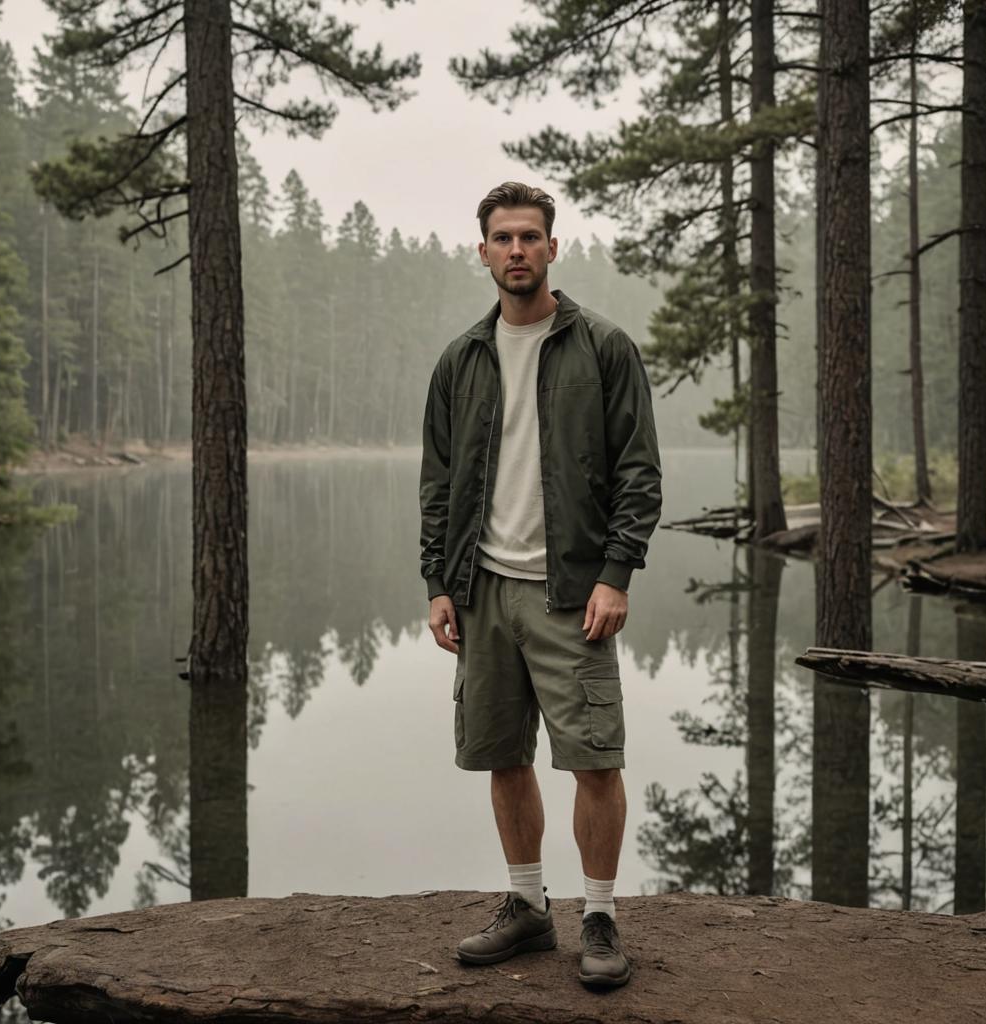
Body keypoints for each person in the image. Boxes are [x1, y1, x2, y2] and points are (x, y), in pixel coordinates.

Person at [418, 181, 662, 988]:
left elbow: (638, 473)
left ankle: (598, 916)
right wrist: (439, 583)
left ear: (553, 248)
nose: (517, 250)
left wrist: (616, 574)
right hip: (484, 592)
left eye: (530, 236)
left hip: (571, 593)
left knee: (595, 759)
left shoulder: (603, 348)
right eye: (502, 238)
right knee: (501, 754)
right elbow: (440, 481)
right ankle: (527, 909)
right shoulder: (462, 359)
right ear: (481, 251)